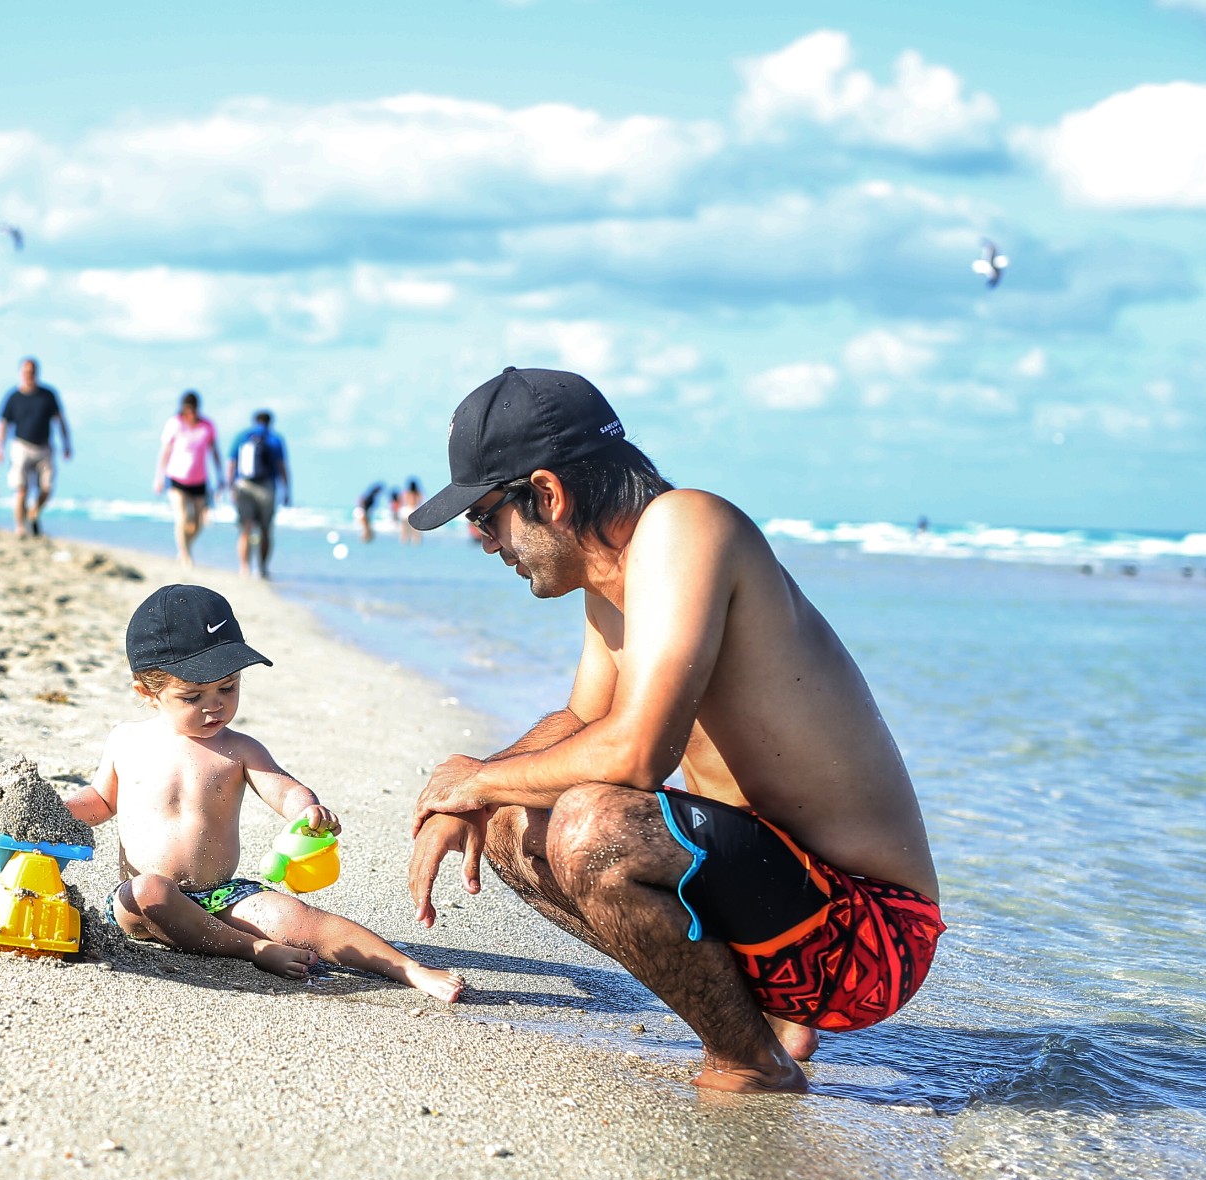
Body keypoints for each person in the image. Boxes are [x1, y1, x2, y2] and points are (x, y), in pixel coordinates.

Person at [404, 368, 944, 1094]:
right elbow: (582, 722)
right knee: (508, 818)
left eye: (485, 517)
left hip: (874, 938)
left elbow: (635, 755)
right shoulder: (612, 580)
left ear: (549, 494)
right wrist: (467, 793)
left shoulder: (687, 527)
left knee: (590, 825)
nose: (487, 542)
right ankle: (759, 1018)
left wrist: (477, 776)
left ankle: (751, 1063)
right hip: (789, 909)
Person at [65, 584, 465, 1002]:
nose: (214, 705)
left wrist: (306, 808)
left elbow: (283, 787)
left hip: (220, 895)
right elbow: (100, 801)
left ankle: (408, 968)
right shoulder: (127, 741)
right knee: (151, 890)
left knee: (303, 920)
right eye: (192, 696)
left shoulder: (239, 749)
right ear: (147, 694)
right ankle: (251, 948)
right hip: (141, 903)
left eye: (228, 687)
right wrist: (57, 812)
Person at [0, 357, 71, 538]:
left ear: (37, 373)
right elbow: (3, 424)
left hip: (44, 447)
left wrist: (67, 443)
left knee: (47, 488)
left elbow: (61, 420)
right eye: (26, 372)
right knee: (21, 488)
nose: (29, 375)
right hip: (21, 445)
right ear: (21, 373)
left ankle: (33, 512)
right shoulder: (13, 397)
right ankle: (20, 527)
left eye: (32, 372)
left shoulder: (48, 395)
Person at [154, 391, 221, 570]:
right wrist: (159, 477)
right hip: (177, 479)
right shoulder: (175, 423)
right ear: (183, 408)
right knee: (182, 517)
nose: (190, 414)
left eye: (193, 410)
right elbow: (165, 451)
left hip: (199, 480)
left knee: (198, 523)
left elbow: (215, 451)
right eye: (188, 410)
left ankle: (185, 547)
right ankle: (185, 554)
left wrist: (220, 476)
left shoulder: (207, 426)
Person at [228, 409, 291, 580]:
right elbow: (281, 466)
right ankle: (262, 569)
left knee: (245, 528)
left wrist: (230, 486)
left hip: (243, 485)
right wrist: (287, 490)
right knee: (265, 530)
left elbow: (232, 463)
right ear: (270, 422)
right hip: (266, 488)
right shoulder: (275, 439)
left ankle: (244, 567)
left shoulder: (242, 436)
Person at [399, 479, 423, 545]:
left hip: (406, 510)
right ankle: (416, 542)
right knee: (415, 529)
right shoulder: (418, 493)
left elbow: (403, 501)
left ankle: (404, 541)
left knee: (405, 528)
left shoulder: (407, 492)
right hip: (414, 509)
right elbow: (421, 500)